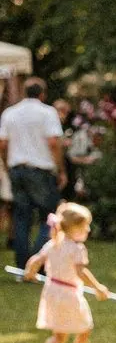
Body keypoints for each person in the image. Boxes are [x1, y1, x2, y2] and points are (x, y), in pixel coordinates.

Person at [24, 201, 109, 343]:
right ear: (74, 228)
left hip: (52, 293)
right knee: (85, 331)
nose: (88, 230)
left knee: (58, 335)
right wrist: (97, 287)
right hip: (70, 294)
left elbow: (35, 260)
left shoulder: (53, 244)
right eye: (85, 226)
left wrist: (30, 272)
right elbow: (81, 272)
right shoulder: (77, 248)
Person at [0, 76, 66, 268]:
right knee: (50, 217)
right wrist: (60, 169)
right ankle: (37, 262)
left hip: (17, 170)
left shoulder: (10, 113)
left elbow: (2, 144)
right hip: (41, 171)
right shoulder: (47, 112)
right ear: (42, 94)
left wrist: (6, 165)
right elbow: (53, 143)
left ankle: (22, 267)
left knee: (21, 218)